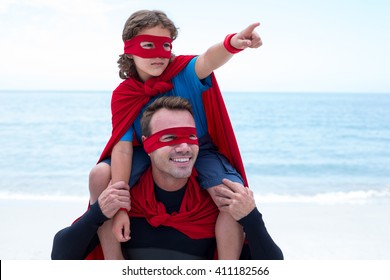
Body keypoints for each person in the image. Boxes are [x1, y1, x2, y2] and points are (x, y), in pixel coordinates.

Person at [89, 9, 263, 259]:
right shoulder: (125, 94)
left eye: (165, 46)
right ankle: (112, 259)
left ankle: (228, 267)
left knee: (231, 192)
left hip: (199, 149)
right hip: (146, 150)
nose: (159, 55)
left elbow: (208, 59)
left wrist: (232, 44)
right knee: (99, 176)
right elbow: (123, 146)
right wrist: (120, 208)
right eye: (148, 45)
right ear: (129, 48)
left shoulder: (185, 73)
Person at [51, 96, 283, 260]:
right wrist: (97, 214)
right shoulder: (124, 197)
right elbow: (61, 256)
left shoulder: (219, 199)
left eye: (190, 136)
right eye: (169, 137)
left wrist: (252, 218)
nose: (183, 147)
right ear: (147, 145)